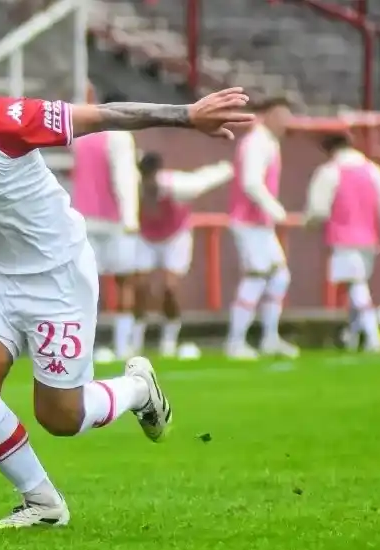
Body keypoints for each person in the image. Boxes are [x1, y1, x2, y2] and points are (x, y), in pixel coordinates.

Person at [0, 29, 252, 528]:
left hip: (56, 275)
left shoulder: (0, 118)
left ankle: (138, 390)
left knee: (61, 417)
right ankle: (43, 502)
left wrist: (185, 115)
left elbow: (101, 117)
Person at [303, 133, 380, 352]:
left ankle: (372, 337)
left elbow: (318, 209)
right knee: (355, 285)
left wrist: (309, 223)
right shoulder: (373, 170)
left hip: (342, 238)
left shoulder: (330, 171)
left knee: (356, 286)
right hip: (369, 239)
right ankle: (353, 336)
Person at [133, 153, 234, 356]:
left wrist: (228, 168)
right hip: (145, 237)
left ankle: (168, 340)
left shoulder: (178, 186)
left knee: (170, 288)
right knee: (140, 287)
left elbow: (203, 180)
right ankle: (135, 340)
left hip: (175, 236)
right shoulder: (133, 187)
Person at [224, 97, 298, 360]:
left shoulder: (268, 142)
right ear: (266, 115)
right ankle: (235, 342)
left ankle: (269, 338)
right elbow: (251, 182)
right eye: (281, 115)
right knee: (256, 276)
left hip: (259, 223)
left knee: (279, 277)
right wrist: (275, 208)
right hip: (249, 221)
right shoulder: (257, 142)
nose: (286, 122)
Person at [71, 94, 140, 359]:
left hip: (84, 219)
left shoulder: (83, 136)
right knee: (124, 282)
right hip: (114, 221)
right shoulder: (120, 137)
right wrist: (131, 218)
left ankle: (88, 345)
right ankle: (123, 346)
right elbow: (124, 178)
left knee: (88, 286)